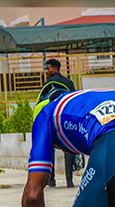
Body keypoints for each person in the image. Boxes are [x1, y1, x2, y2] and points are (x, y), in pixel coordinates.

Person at [39, 58, 76, 188]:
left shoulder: (48, 84)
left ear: (55, 68)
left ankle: (51, 180)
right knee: (68, 149)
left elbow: (43, 102)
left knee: (49, 148)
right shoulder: (69, 82)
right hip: (66, 118)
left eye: (48, 68)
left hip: (52, 119)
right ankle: (69, 181)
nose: (47, 71)